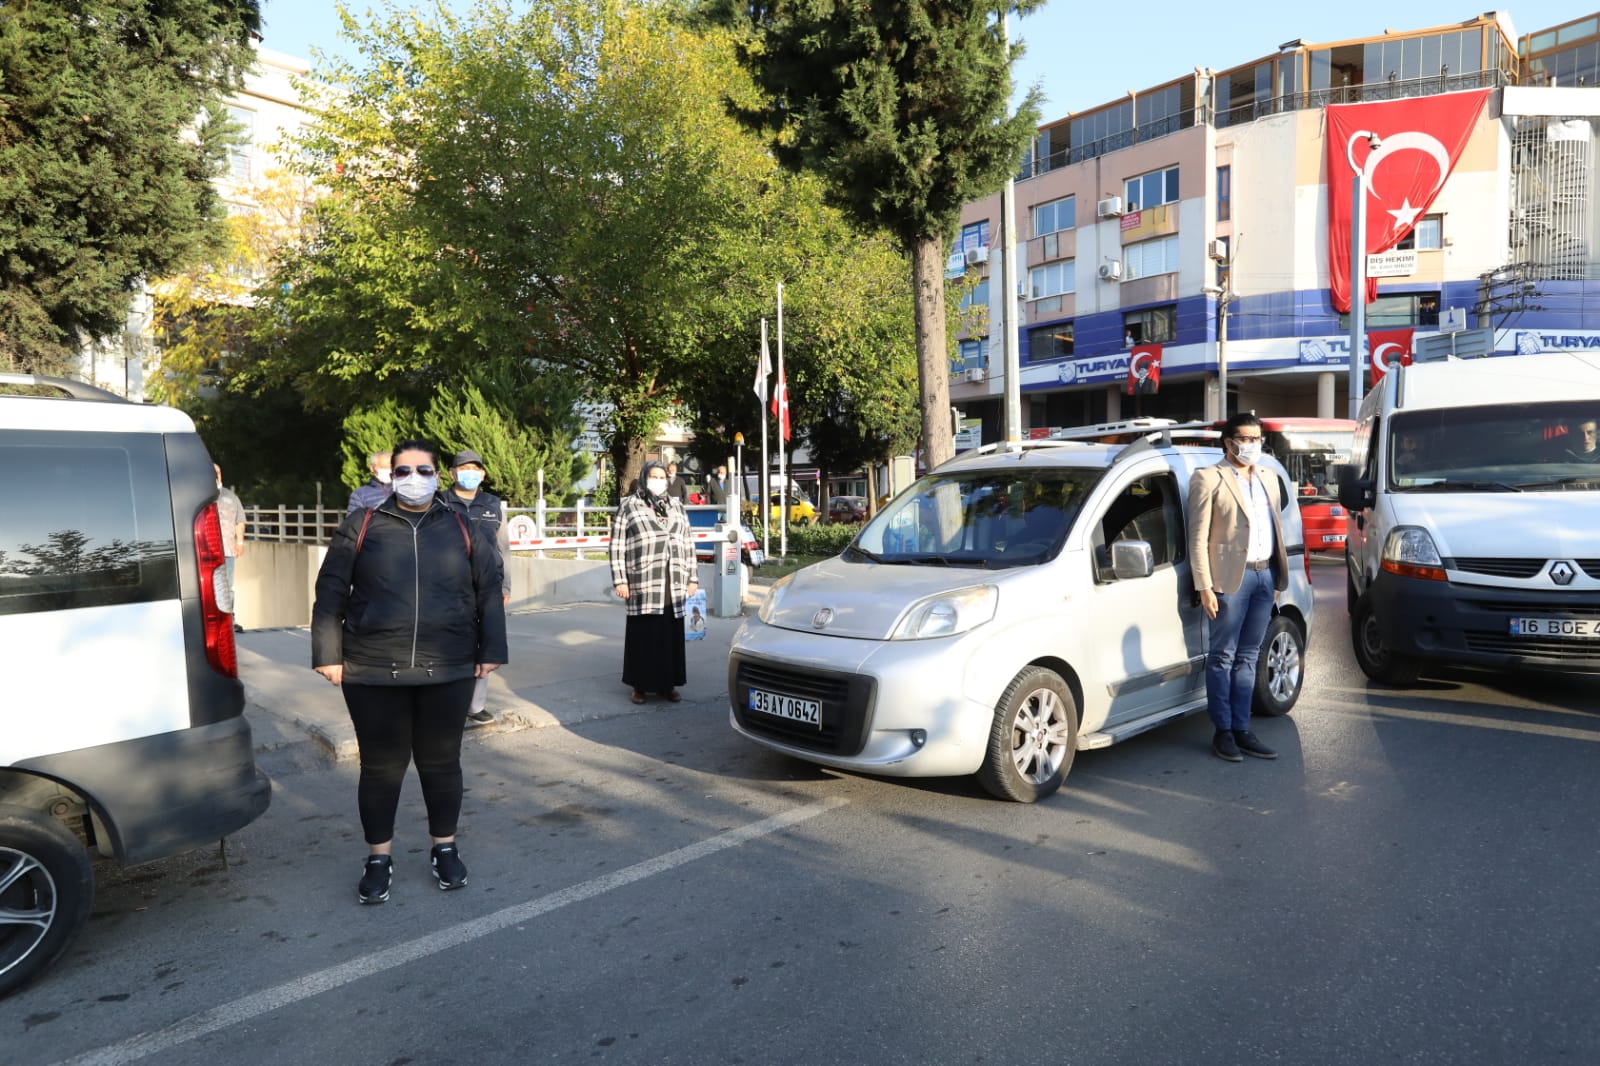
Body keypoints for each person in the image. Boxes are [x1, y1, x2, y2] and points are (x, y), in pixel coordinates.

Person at [311, 439, 508, 905]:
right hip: (373, 669)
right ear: (390, 476)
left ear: (438, 474)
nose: (413, 478)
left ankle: (445, 848)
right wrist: (327, 653)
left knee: (441, 764)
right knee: (381, 769)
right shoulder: (362, 525)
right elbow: (331, 591)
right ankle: (379, 856)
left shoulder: (460, 526)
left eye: (423, 470)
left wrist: (491, 649)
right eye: (403, 470)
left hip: (450, 667)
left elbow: (489, 588)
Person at [1187, 413, 1289, 763]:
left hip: (1264, 576)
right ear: (1228, 442)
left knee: (1249, 657)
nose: (1252, 445)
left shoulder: (1269, 478)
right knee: (1223, 657)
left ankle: (1243, 729)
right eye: (1245, 438)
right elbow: (1197, 538)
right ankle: (1224, 731)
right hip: (1231, 580)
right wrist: (1204, 586)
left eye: (1258, 438)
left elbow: (1275, 529)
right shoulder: (1208, 479)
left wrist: (1277, 579)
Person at [609, 460, 697, 704]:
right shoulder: (630, 505)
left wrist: (693, 577)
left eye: (661, 476)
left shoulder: (677, 506)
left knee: (670, 636)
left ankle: (667, 686)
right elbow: (616, 546)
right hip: (643, 580)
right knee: (644, 635)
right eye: (653, 476)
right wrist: (620, 580)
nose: (658, 480)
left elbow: (688, 543)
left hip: (674, 580)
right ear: (644, 477)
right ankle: (640, 686)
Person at [446, 449, 512, 727]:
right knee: (452, 643)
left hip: (488, 586)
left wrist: (506, 585)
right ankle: (449, 703)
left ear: (483, 474)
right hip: (450, 586)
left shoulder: (493, 504)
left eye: (475, 469)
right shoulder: (441, 503)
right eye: (464, 469)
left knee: (484, 644)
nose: (470, 474)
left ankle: (475, 705)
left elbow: (504, 548)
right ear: (452, 473)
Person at [214, 464, 246, 627]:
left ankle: (229, 620)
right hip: (209, 552)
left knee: (228, 587)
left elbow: (240, 520)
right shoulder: (202, 496)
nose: (216, 475)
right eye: (212, 472)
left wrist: (240, 542)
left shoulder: (231, 497)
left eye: (218, 472)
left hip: (228, 550)